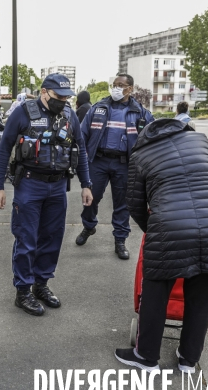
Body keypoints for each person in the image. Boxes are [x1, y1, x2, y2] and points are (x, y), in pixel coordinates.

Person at [115, 118, 208, 372]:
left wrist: (153, 228)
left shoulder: (141, 154)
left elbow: (134, 202)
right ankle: (188, 360)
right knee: (201, 300)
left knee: (155, 295)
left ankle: (146, 356)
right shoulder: (200, 140)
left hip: (170, 227)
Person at [0, 73, 93, 316]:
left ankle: (41, 285)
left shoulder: (69, 115)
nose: (64, 101)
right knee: (27, 239)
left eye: (67, 97)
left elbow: (80, 149)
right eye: (59, 96)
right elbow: (4, 148)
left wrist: (87, 184)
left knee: (52, 238)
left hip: (58, 187)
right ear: (44, 92)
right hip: (30, 184)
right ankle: (23, 291)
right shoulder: (23, 112)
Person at [75, 73, 154, 260]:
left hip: (124, 164)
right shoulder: (98, 108)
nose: (116, 88)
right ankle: (89, 226)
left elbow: (152, 138)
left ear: (130, 89)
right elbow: (82, 135)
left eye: (121, 85)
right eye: (115, 84)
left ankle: (120, 240)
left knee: (122, 204)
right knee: (90, 198)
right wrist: (81, 159)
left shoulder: (140, 113)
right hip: (98, 162)